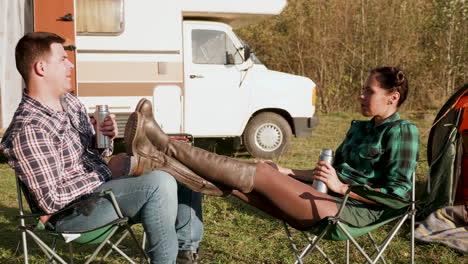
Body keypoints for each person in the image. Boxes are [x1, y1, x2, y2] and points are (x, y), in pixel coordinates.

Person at [125, 66, 419, 230]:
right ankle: (155, 161)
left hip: (349, 212)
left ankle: (164, 145)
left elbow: (398, 196)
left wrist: (342, 188)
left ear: (392, 98)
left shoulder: (403, 132)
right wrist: (290, 171)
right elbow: (328, 174)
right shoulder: (360, 128)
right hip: (322, 197)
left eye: (370, 91)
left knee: (258, 174)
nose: (361, 94)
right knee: (244, 179)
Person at [0, 32, 205, 264]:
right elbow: (51, 199)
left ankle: (185, 255)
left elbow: (90, 155)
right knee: (159, 184)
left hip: (102, 191)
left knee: (183, 171)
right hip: (72, 214)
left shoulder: (70, 103)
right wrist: (108, 171)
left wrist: (102, 139)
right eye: (62, 59)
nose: (71, 64)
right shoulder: (29, 128)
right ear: (41, 68)